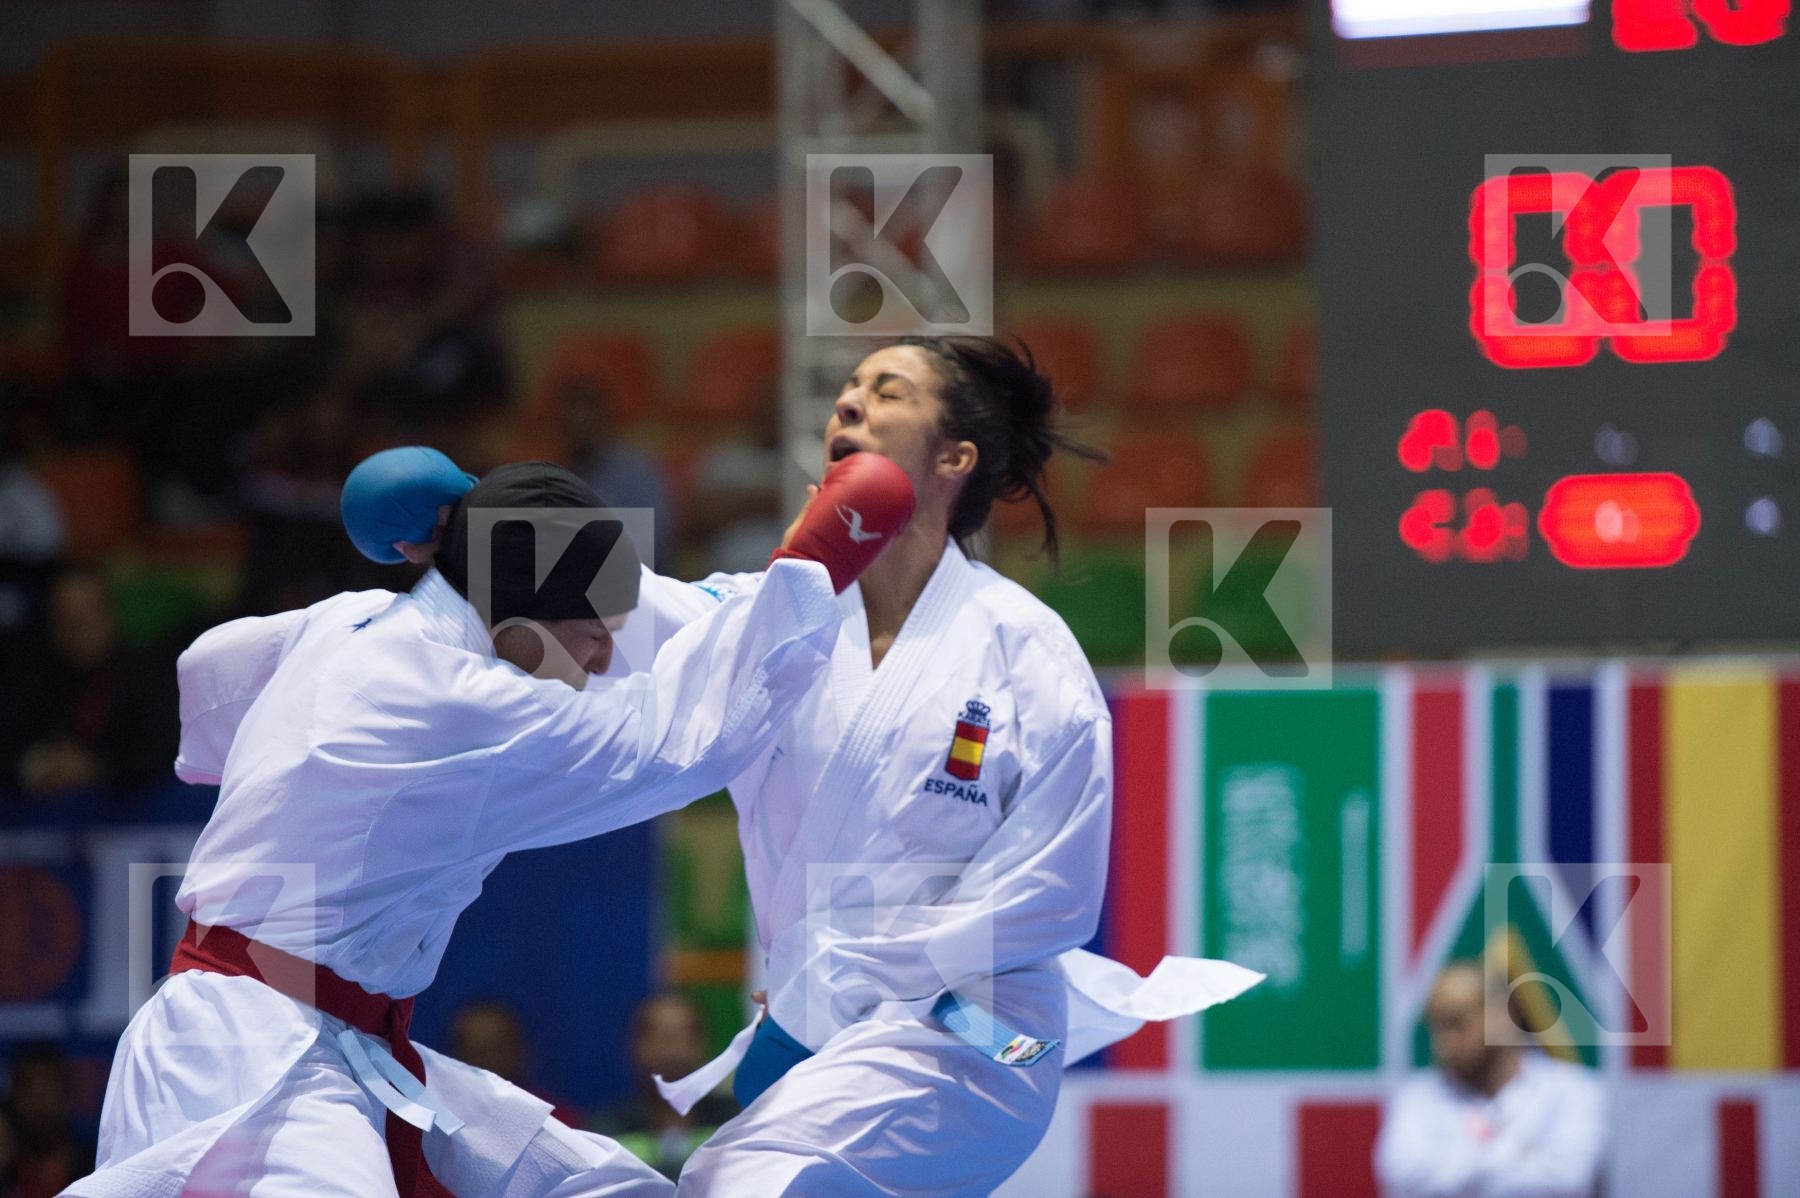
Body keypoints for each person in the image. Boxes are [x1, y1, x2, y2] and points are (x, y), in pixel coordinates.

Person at [66, 454, 910, 1198]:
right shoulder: (462, 702)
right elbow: (678, 743)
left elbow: (205, 669)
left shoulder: (357, 619)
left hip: (343, 1043)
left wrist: (480, 527)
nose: (603, 661)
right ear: (526, 613)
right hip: (246, 1061)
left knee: (608, 1187)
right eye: (589, 638)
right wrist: (814, 565)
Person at [624, 336, 1263, 1196]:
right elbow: (624, 611)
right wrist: (488, 533)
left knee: (737, 1184)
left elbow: (1048, 896)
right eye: (847, 391)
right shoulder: (773, 610)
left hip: (969, 1039)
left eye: (887, 393)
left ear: (954, 457)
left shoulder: (1024, 649)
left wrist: (838, 990)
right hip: (813, 1041)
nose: (848, 404)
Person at [1374, 960, 1606, 1198]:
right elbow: (1402, 1177)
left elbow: (1568, 1180)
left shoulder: (1574, 1090)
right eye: (1436, 1028)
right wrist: (1517, 1154)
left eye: (1456, 1024)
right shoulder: (1416, 1097)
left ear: (1504, 1015)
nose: (1442, 1045)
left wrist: (1451, 1162)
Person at [0, 566, 177, 800]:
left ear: (111, 614)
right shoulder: (29, 678)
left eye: (89, 614)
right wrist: (34, 764)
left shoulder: (148, 676)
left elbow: (164, 752)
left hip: (138, 825)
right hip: (39, 827)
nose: (79, 628)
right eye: (67, 617)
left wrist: (96, 767)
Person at [588, 994, 737, 1181]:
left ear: (704, 1042)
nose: (672, 1049)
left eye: (683, 1036)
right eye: (661, 1037)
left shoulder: (735, 1122)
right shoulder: (607, 1131)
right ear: (634, 1045)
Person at [447, 1001, 584, 1128]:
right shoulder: (437, 1118)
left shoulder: (558, 1124)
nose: (485, 1059)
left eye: (496, 1047)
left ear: (520, 1050)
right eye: (473, 1049)